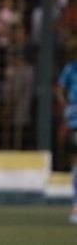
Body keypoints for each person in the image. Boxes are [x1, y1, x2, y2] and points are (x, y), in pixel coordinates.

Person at [57, 43, 77, 225]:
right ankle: (76, 205)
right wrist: (66, 109)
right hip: (74, 120)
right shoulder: (70, 68)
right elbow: (60, 90)